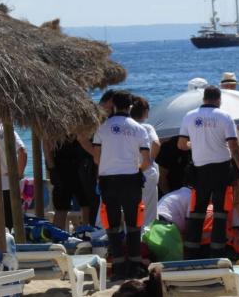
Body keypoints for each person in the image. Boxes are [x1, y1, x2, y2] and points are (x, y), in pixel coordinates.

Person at [178, 85, 239, 258]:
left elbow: (181, 145)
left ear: (204, 99)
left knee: (197, 212)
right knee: (220, 213)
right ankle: (217, 253)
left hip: (200, 170)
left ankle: (191, 254)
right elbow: (233, 146)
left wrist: (195, 144)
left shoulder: (189, 116)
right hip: (222, 169)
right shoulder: (224, 116)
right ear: (219, 99)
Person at [93, 90, 151, 279]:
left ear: (113, 106)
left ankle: (118, 267)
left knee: (112, 225)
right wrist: (138, 169)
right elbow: (146, 160)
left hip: (108, 180)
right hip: (131, 179)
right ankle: (134, 266)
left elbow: (96, 158)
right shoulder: (139, 129)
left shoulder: (102, 128)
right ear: (131, 106)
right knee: (134, 224)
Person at [45, 136, 98, 229]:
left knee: (87, 203)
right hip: (62, 166)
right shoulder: (53, 129)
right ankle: (58, 233)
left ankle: (86, 232)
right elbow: (46, 144)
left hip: (81, 165)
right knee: (61, 206)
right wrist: (52, 168)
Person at [131, 96, 161, 228]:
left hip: (129, 171)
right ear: (145, 111)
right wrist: (150, 161)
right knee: (148, 211)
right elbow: (156, 143)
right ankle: (147, 235)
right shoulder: (146, 127)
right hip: (146, 172)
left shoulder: (127, 127)